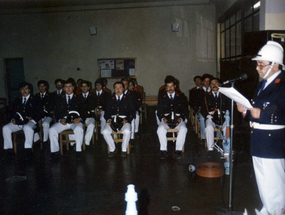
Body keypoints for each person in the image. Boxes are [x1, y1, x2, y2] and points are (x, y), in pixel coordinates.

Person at [237, 41, 285, 215]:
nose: (257, 68)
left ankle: (277, 211)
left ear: (275, 65)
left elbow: (280, 113)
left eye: (261, 65)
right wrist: (245, 111)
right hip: (258, 140)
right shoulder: (262, 84)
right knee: (263, 181)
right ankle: (267, 208)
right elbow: (256, 111)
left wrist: (261, 114)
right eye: (257, 64)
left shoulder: (282, 84)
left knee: (275, 183)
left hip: (272, 143)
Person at [2, 82, 42, 159]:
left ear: (29, 90)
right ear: (20, 91)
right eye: (22, 89)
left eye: (26, 88)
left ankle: (28, 149)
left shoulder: (35, 99)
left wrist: (32, 117)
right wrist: (13, 119)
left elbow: (40, 112)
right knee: (5, 128)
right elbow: (12, 111)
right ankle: (9, 149)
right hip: (19, 122)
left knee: (27, 128)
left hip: (30, 122)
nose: (24, 91)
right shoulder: (17, 100)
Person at [49, 78, 85, 160]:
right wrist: (60, 119)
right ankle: (55, 151)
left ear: (73, 88)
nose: (68, 88)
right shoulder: (59, 98)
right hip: (64, 121)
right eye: (66, 87)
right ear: (63, 88)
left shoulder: (79, 98)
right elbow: (57, 112)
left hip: (75, 121)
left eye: (70, 86)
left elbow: (84, 111)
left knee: (79, 129)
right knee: (52, 130)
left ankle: (78, 151)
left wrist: (80, 118)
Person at [157, 76, 188, 159]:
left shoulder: (181, 96)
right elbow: (159, 111)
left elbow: (185, 111)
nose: (170, 88)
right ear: (165, 87)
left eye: (171, 86)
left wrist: (180, 119)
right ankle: (163, 150)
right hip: (166, 120)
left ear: (175, 86)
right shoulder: (162, 97)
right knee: (160, 129)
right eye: (168, 86)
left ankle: (178, 150)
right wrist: (163, 119)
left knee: (183, 129)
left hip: (178, 119)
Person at [102, 81, 135, 157]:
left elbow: (132, 112)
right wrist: (108, 120)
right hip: (113, 120)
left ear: (123, 89)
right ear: (113, 89)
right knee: (105, 131)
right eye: (116, 88)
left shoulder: (129, 98)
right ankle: (112, 148)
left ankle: (124, 149)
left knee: (127, 131)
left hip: (124, 120)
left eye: (120, 87)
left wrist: (126, 120)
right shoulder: (110, 99)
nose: (118, 89)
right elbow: (106, 112)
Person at [201, 77, 230, 151]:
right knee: (208, 128)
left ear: (219, 84)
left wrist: (226, 115)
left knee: (226, 128)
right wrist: (207, 116)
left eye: (216, 83)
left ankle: (226, 147)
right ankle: (210, 148)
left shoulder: (225, 95)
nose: (214, 85)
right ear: (210, 85)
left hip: (223, 117)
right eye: (212, 83)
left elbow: (229, 107)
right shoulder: (206, 96)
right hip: (211, 117)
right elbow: (203, 109)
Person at [76, 80, 95, 146]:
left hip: (90, 116)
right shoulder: (77, 97)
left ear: (88, 87)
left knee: (91, 125)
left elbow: (93, 107)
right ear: (80, 87)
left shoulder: (93, 96)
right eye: (82, 86)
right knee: (75, 125)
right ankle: (75, 143)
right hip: (80, 116)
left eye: (85, 86)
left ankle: (86, 142)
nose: (84, 88)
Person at [197, 73, 213, 143]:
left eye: (208, 81)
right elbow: (195, 102)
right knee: (202, 118)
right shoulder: (198, 91)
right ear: (202, 82)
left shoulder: (213, 90)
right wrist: (198, 108)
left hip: (211, 110)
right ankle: (204, 136)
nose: (207, 83)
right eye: (205, 81)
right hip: (202, 110)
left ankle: (219, 136)